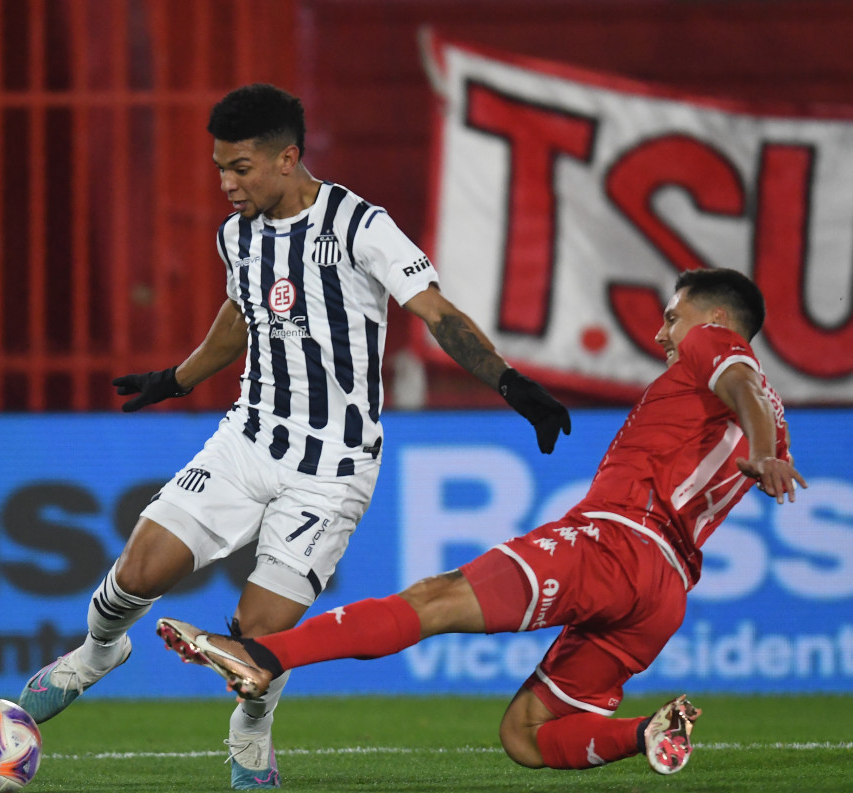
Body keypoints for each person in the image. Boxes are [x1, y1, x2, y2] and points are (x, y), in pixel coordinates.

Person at [18, 83, 570, 790]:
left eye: (240, 168)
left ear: (287, 157)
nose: (226, 183)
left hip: (332, 469)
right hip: (247, 440)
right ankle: (97, 653)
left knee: (260, 636)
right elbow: (241, 314)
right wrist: (178, 379)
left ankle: (251, 734)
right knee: (139, 569)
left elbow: (434, 310)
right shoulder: (235, 234)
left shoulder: (359, 225)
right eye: (219, 167)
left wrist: (507, 381)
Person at [158, 267, 807, 778]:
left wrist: (766, 455)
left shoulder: (719, 348)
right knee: (525, 735)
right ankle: (648, 731)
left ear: (717, 319)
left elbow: (741, 381)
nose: (666, 334)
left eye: (673, 317)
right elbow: (749, 398)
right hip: (664, 593)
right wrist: (770, 447)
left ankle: (258, 654)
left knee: (432, 600)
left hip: (613, 543)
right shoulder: (772, 408)